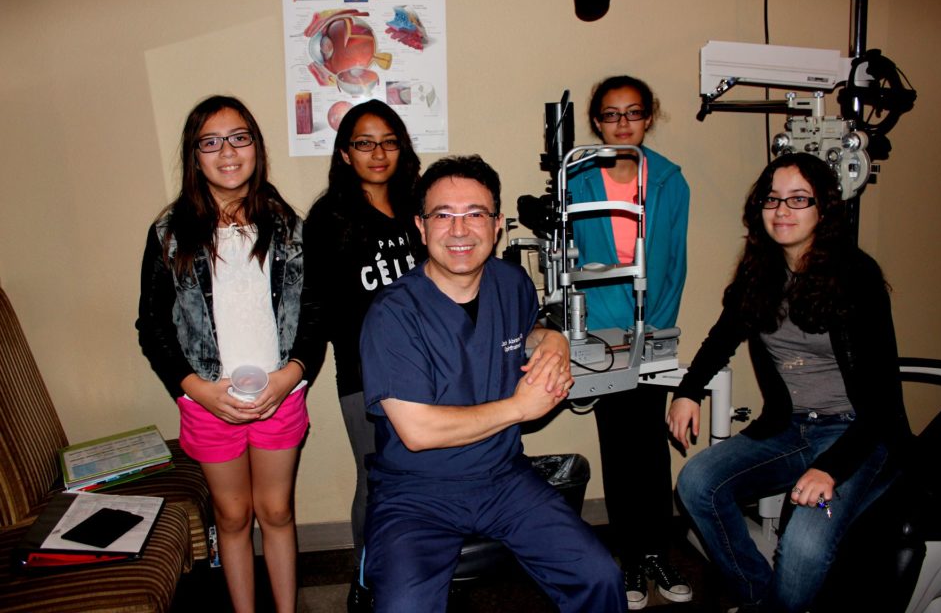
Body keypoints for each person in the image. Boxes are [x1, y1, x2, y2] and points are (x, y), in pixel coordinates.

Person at [358, 155, 624, 612]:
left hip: (503, 477)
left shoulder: (512, 282)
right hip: (417, 492)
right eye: (443, 215)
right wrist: (520, 408)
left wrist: (555, 339)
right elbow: (418, 432)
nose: (460, 231)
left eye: (475, 214)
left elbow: (526, 334)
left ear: (498, 224)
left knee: (600, 576)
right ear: (421, 227)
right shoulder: (392, 315)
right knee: (404, 607)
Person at [667, 153, 911, 612]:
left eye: (799, 199)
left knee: (802, 546)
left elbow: (881, 401)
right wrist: (687, 391)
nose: (782, 210)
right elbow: (722, 338)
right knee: (697, 482)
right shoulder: (759, 273)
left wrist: (830, 469)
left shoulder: (856, 278)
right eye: (772, 199)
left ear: (824, 209)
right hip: (789, 428)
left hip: (856, 436)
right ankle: (761, 598)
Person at [137, 96, 309, 613]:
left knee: (276, 512)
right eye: (210, 142)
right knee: (232, 518)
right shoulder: (169, 234)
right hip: (208, 401)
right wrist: (200, 390)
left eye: (239, 137)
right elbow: (152, 328)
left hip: (281, 394)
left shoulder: (287, 227)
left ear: (255, 146)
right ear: (194, 156)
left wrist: (290, 376)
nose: (227, 152)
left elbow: (315, 315)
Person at [567, 75, 691, 609]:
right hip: (602, 329)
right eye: (611, 115)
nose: (623, 124)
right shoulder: (577, 180)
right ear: (596, 121)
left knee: (651, 447)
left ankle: (657, 550)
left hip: (653, 324)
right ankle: (630, 560)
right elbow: (570, 258)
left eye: (633, 114)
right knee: (619, 446)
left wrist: (656, 327)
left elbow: (675, 262)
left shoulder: (669, 181)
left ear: (648, 117)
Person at [291, 99, 422, 605]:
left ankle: (416, 576)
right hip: (367, 375)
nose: (378, 153)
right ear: (345, 153)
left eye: (388, 141)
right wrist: (298, 370)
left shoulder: (418, 202)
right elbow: (318, 306)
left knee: (424, 480)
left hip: (430, 369)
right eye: (364, 143)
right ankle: (366, 582)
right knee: (379, 481)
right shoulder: (330, 218)